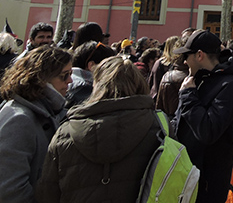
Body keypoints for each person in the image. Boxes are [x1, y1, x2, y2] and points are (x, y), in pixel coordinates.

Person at [35, 56, 162, 203]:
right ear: (139, 85)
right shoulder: (159, 128)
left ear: (96, 86)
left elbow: (48, 191)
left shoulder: (65, 132)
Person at [172, 29, 233, 203]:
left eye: (187, 55)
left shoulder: (229, 85)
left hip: (208, 181)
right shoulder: (197, 79)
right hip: (187, 172)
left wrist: (188, 96)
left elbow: (208, 131)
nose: (184, 60)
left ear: (199, 55)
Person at [0, 45, 72, 202]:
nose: (70, 81)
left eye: (71, 74)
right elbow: (9, 189)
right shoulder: (20, 119)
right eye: (64, 76)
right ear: (41, 79)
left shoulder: (44, 110)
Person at [66, 40, 116, 107]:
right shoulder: (85, 88)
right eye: (107, 66)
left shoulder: (70, 78)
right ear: (91, 66)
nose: (111, 71)